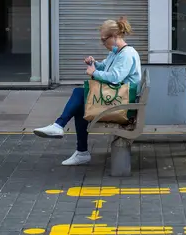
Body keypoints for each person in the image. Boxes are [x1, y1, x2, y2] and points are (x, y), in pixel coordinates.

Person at [33, 17, 141, 166]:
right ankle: (79, 149)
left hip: (123, 105)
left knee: (80, 93)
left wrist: (94, 72)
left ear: (115, 36)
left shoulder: (127, 54)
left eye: (104, 40)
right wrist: (94, 63)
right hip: (116, 99)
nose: (103, 43)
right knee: (80, 104)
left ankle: (61, 128)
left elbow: (115, 78)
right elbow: (105, 67)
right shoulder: (117, 53)